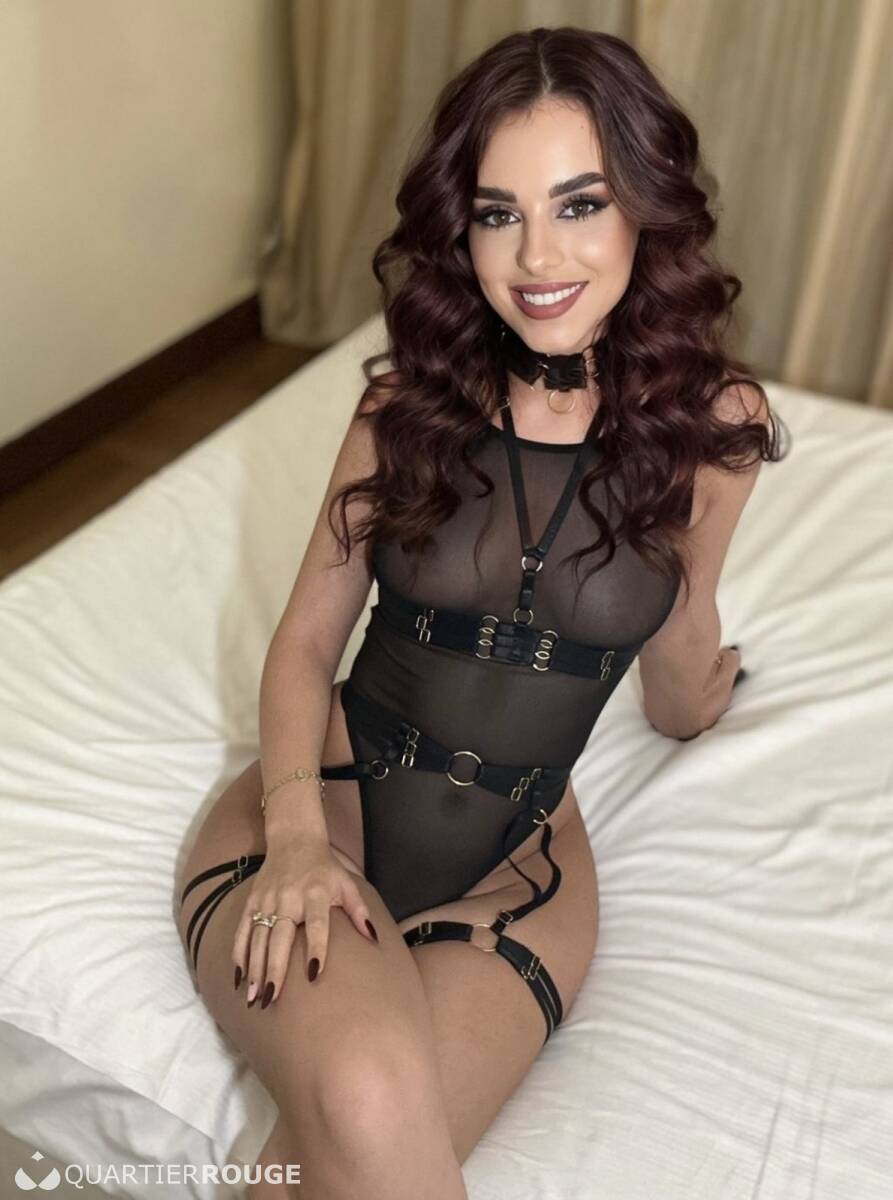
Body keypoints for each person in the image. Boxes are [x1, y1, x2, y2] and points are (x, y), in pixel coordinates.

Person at [175, 25, 786, 1200]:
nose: (536, 256)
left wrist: (701, 699)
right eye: (498, 214)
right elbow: (303, 644)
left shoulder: (716, 429)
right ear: (461, 230)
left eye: (578, 204)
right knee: (364, 1102)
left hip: (520, 873)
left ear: (643, 208)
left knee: (332, 1160)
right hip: (324, 807)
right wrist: (294, 840)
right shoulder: (405, 409)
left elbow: (679, 627)